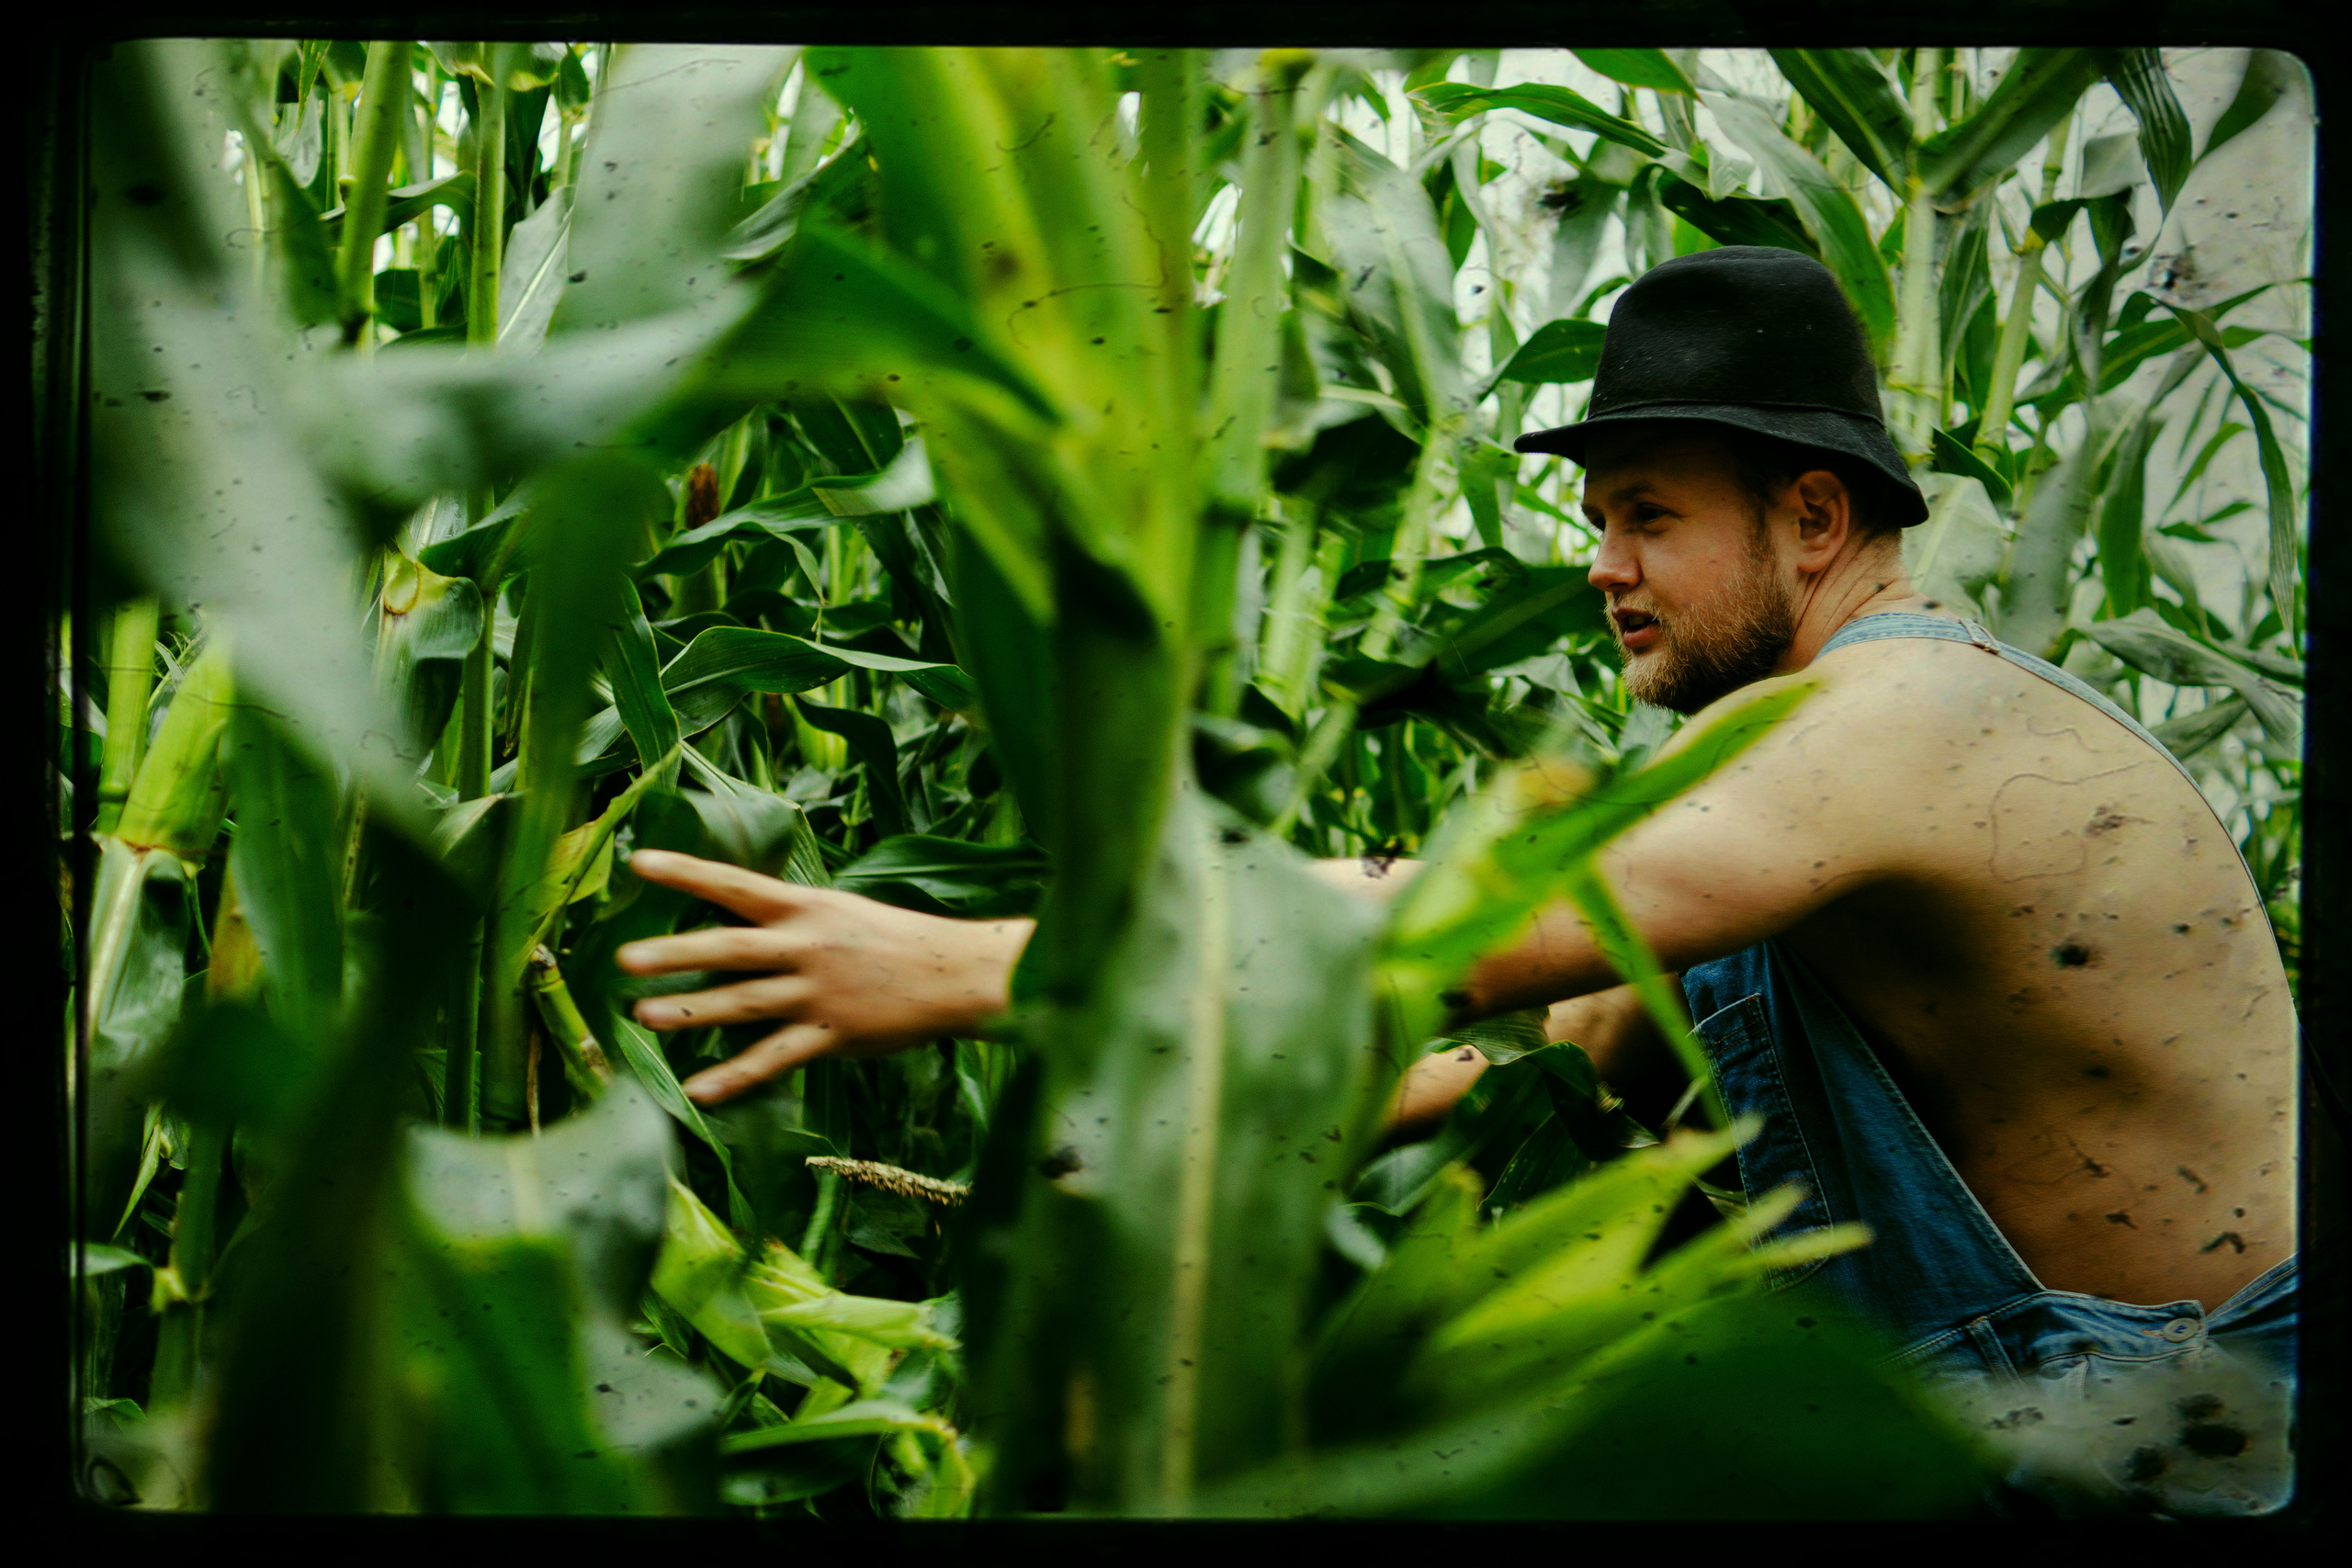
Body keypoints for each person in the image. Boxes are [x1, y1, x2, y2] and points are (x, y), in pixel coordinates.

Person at [613, 247, 2300, 1516]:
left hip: (2162, 1434)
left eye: (1647, 515)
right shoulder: (1773, 787)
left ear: (1809, 515)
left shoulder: (1910, 721)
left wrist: (978, 966)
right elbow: (1542, 1060)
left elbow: (1490, 926)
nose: (1602, 565)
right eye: (1596, 516)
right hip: (2016, 1415)